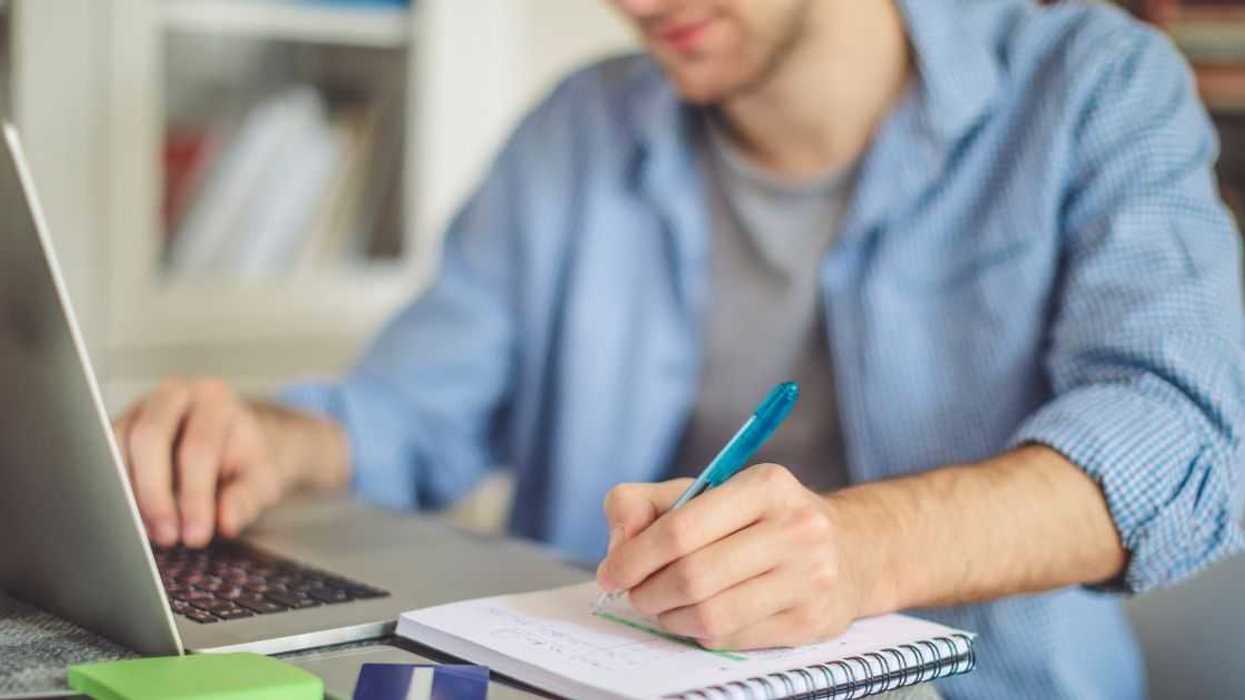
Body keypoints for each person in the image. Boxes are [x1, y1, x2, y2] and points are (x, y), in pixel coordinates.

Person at [115, 0, 1245, 697]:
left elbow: (1181, 438)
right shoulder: (577, 129)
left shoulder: (1093, 86)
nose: (640, 5)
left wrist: (859, 548)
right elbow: (417, 408)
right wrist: (266, 438)